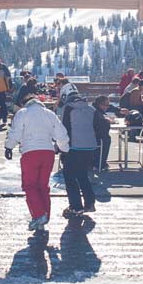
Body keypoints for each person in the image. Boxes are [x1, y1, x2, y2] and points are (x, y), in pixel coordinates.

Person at [4, 86, 68, 232]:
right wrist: (64, 148)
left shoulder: (22, 113)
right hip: (48, 152)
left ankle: (38, 215)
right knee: (43, 185)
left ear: (25, 103)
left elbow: (15, 133)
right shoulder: (49, 114)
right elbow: (61, 133)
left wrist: (8, 147)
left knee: (30, 185)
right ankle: (45, 214)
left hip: (30, 153)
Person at [58, 84, 98, 216]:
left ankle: (75, 206)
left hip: (74, 147)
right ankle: (90, 203)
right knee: (82, 174)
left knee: (69, 176)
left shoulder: (68, 108)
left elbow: (64, 129)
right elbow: (101, 125)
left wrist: (61, 147)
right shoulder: (91, 108)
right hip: (89, 147)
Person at [92, 94, 112, 172]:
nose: (107, 107)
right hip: (97, 137)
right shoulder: (97, 112)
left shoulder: (94, 109)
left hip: (91, 135)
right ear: (100, 104)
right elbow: (102, 128)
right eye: (106, 105)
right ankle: (100, 163)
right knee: (107, 139)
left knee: (106, 138)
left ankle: (101, 162)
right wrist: (107, 122)